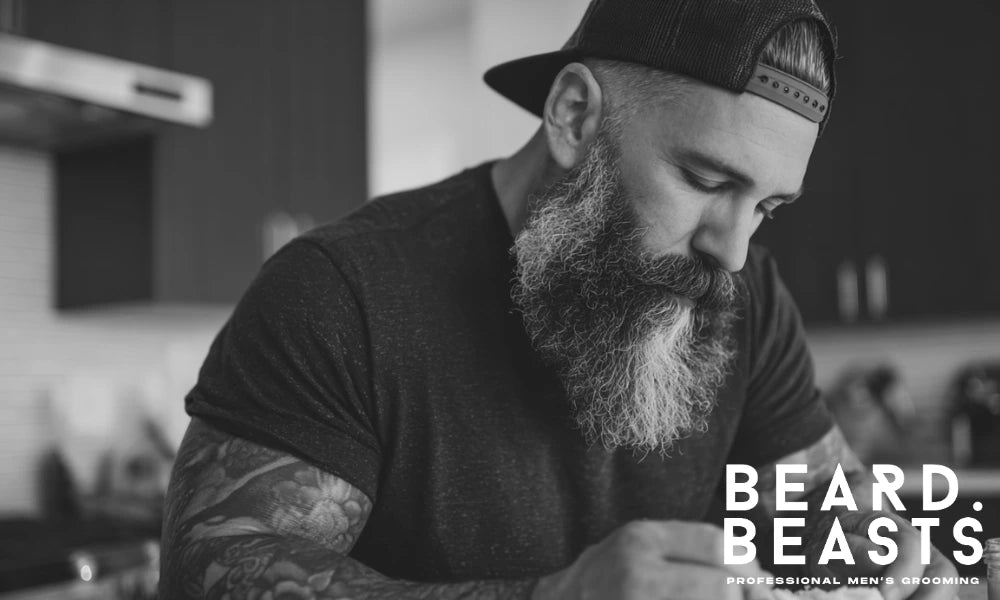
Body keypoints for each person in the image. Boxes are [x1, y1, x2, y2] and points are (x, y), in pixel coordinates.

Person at [160, 1, 959, 598]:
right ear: (574, 115)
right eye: (708, 181)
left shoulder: (746, 297)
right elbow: (215, 573)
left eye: (769, 208)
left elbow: (821, 509)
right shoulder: (341, 292)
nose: (734, 249)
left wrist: (892, 556)